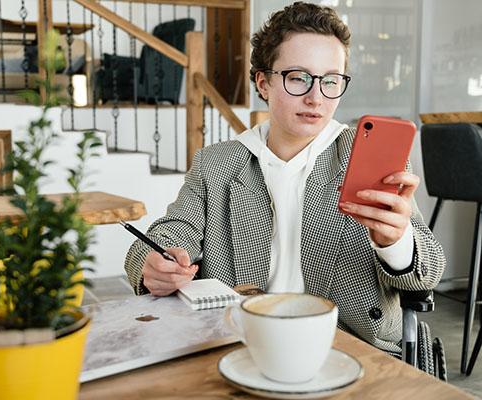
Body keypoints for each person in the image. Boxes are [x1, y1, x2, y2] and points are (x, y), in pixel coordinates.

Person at [124, 1, 445, 352]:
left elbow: (428, 272)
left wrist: (395, 242)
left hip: (350, 347)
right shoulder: (216, 164)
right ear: (263, 83)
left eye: (330, 81)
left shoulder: (368, 157)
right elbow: (167, 235)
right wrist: (154, 265)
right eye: (298, 78)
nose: (316, 98)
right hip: (243, 342)